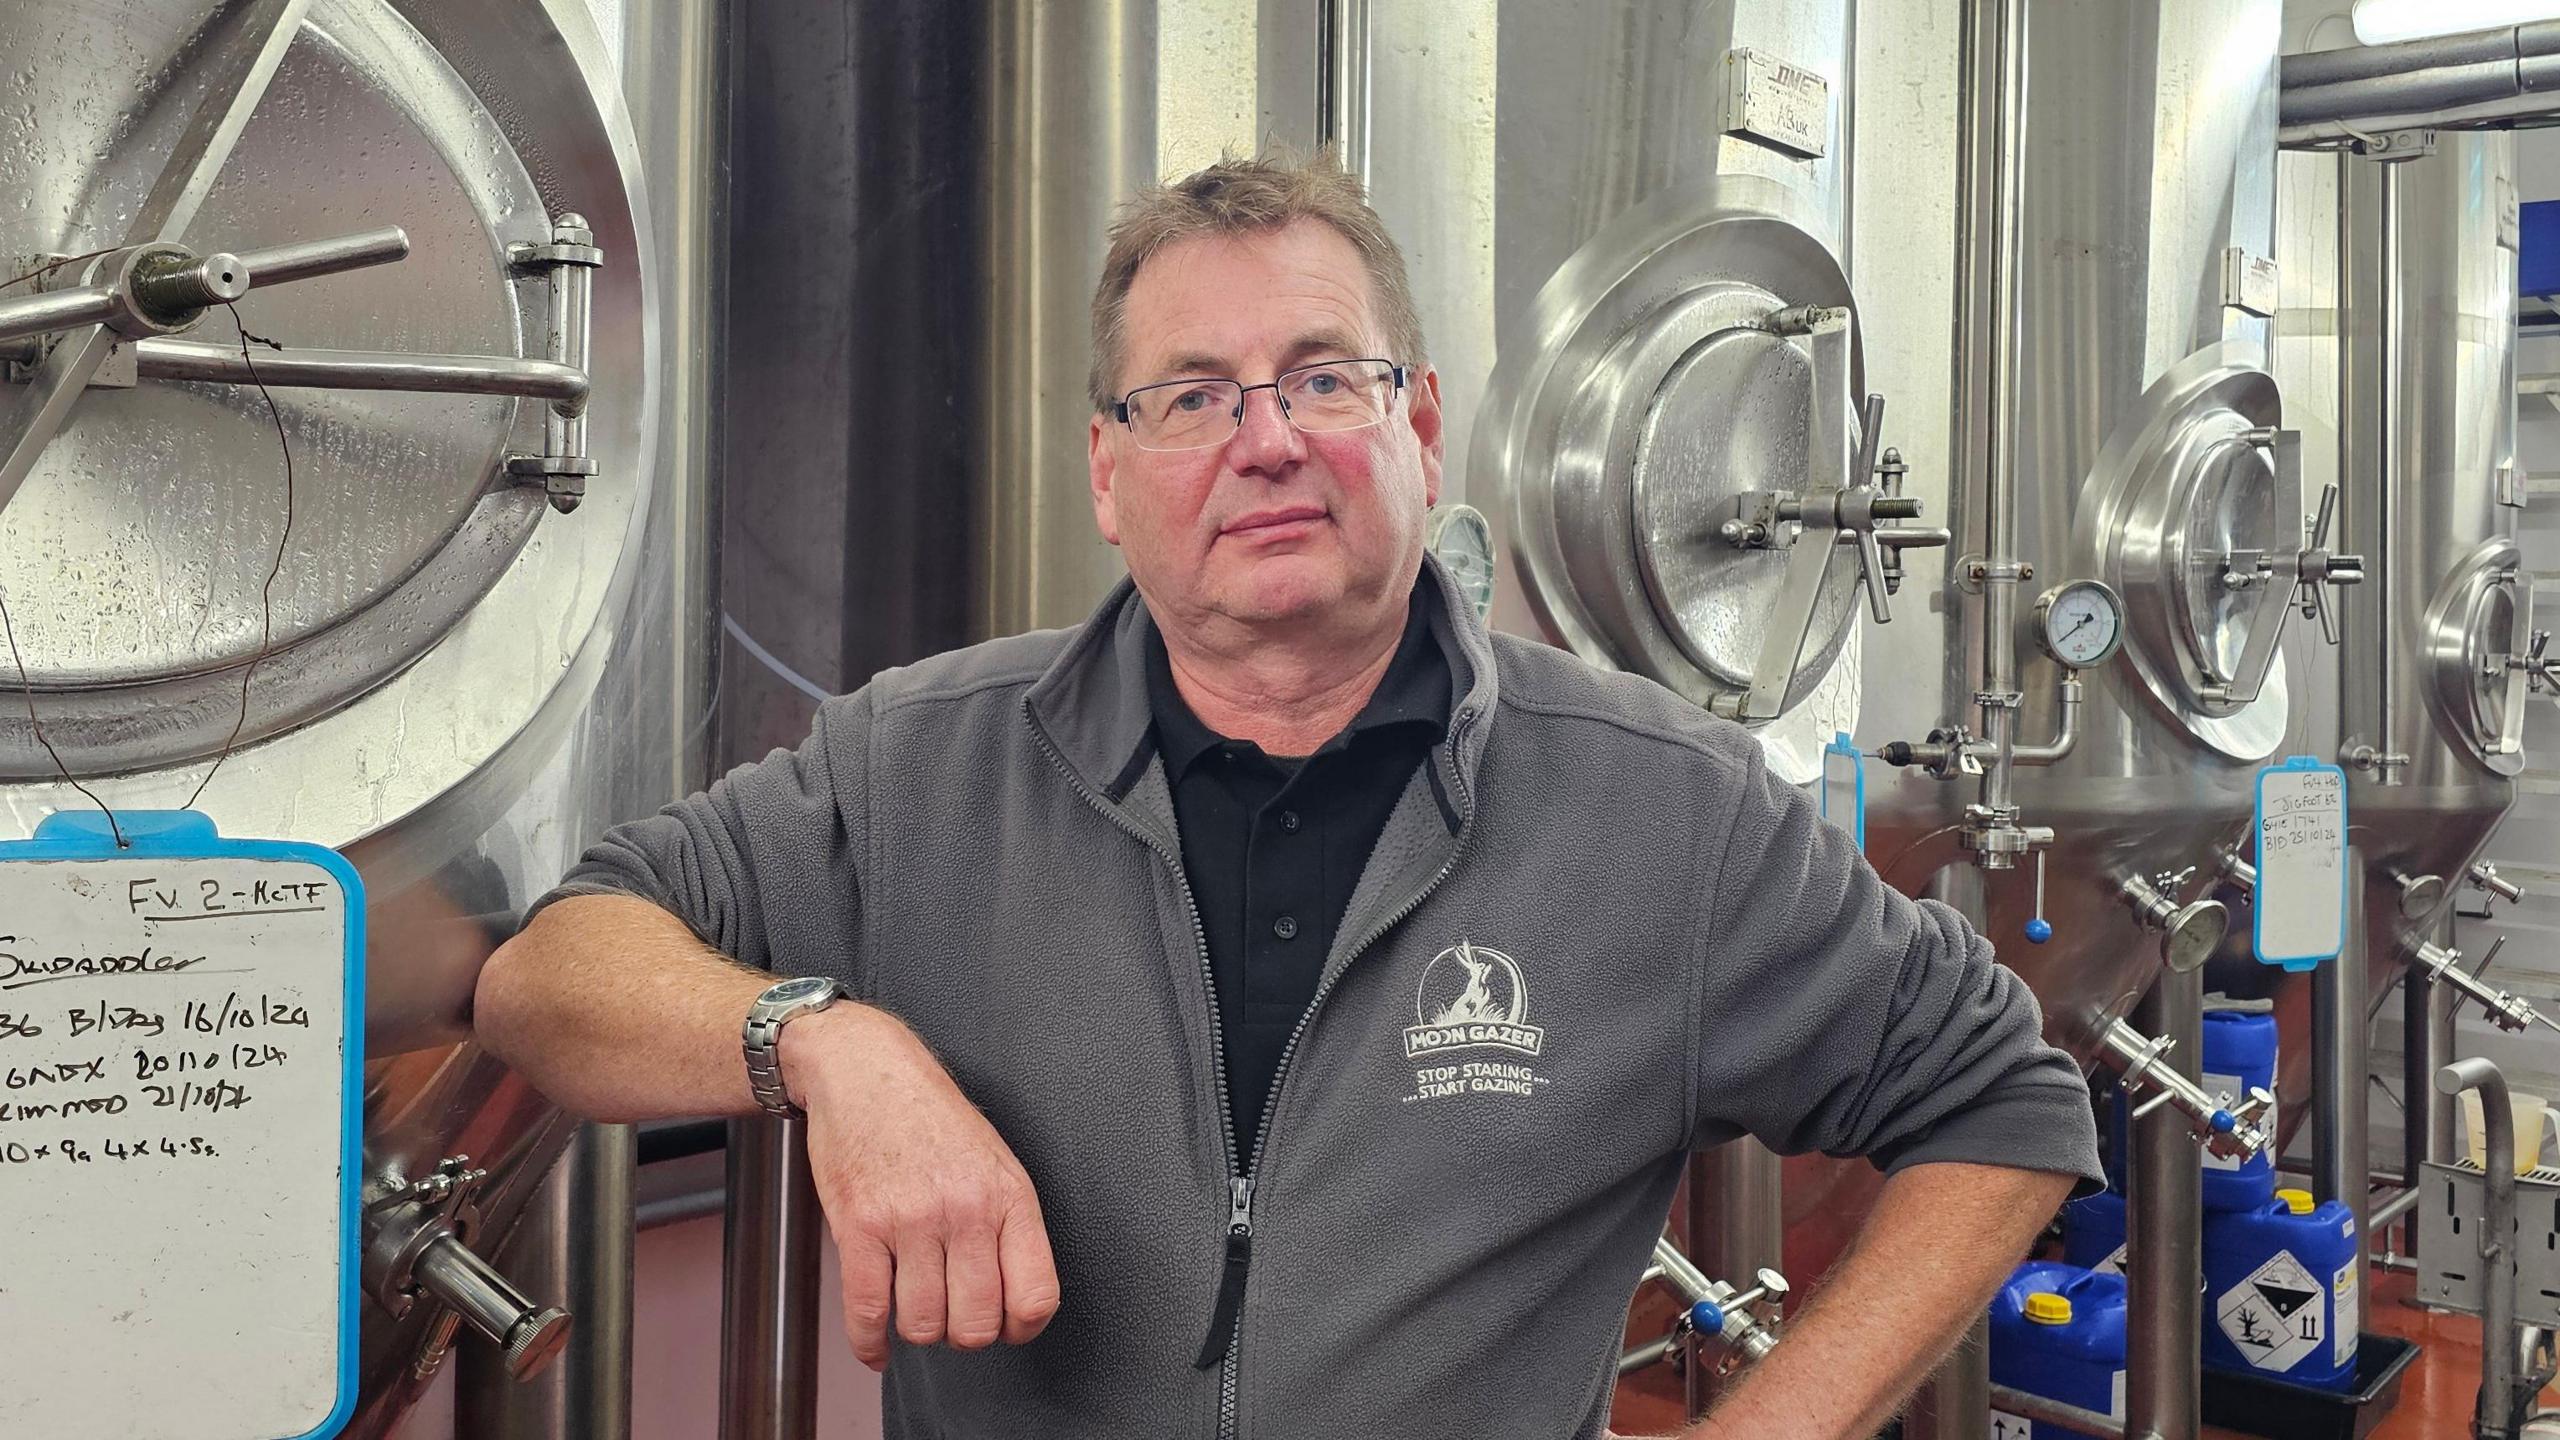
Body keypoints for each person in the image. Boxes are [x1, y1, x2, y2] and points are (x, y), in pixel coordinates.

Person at [473, 150, 2101, 1440]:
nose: (1265, 442)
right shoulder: (923, 763)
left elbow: (2000, 1102)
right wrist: (826, 1043)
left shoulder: (1662, 809)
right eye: (1191, 396)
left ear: (1422, 429)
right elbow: (552, 971)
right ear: (1111, 476)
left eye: (1326, 378)